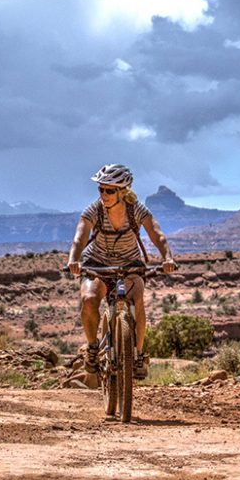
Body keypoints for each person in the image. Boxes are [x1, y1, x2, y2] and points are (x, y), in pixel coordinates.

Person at [65, 163, 175, 384]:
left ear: (123, 191)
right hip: (97, 264)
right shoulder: (94, 210)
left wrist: (167, 257)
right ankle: (93, 348)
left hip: (129, 265)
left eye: (110, 190)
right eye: (101, 189)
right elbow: (80, 237)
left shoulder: (137, 210)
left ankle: (138, 355)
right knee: (89, 299)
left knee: (136, 300)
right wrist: (73, 259)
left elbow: (157, 235)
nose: (104, 194)